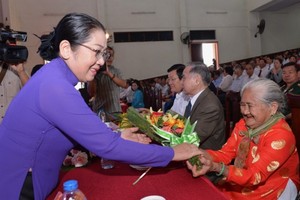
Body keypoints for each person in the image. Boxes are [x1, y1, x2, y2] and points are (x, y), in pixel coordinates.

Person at [0, 13, 201, 200]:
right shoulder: (55, 86)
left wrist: (117, 135)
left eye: (103, 53)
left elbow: (78, 127)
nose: (101, 61)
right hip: (20, 184)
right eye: (96, 52)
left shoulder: (55, 77)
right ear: (66, 49)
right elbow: (108, 148)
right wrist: (174, 153)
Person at [187, 78, 299, 200]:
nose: (245, 112)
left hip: (274, 184)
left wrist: (216, 167)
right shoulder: (243, 124)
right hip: (244, 178)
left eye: (250, 106)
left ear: (272, 108)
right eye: (242, 105)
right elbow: (226, 153)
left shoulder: (281, 136)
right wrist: (201, 154)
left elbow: (255, 175)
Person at [182, 63, 226, 150]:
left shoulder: (210, 106)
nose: (181, 81)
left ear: (197, 80)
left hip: (206, 156)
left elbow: (193, 138)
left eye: (184, 78)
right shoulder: (197, 99)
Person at [91, 46, 128, 115]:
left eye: (111, 55)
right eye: (107, 55)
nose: (109, 57)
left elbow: (124, 85)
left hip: (115, 109)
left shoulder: (116, 71)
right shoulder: (95, 71)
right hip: (100, 110)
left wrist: (109, 73)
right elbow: (91, 92)